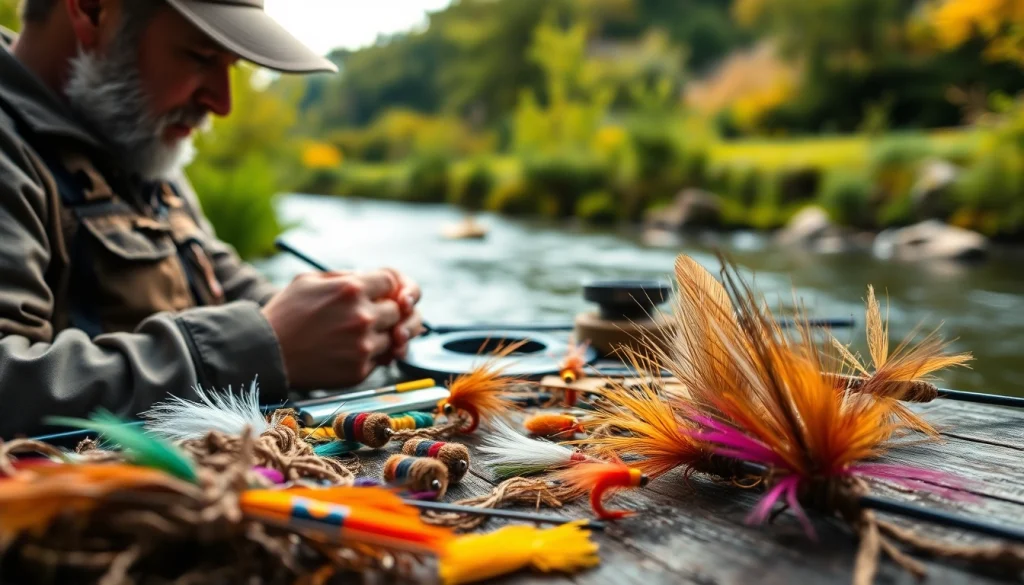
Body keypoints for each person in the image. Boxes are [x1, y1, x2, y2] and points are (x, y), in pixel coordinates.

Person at [0, 0, 425, 439]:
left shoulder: (134, 142)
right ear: (91, 11)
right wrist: (263, 347)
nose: (222, 102)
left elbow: (227, 284)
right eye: (201, 57)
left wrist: (355, 316)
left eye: (233, 67)